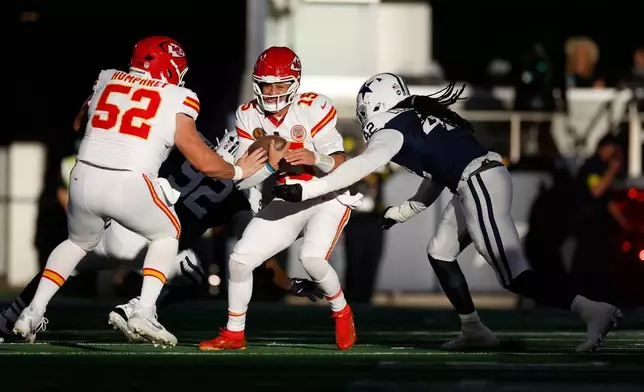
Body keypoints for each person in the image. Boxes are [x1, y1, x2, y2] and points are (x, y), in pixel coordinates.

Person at [273, 73, 622, 352]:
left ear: (375, 106)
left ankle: (593, 311)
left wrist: (308, 189)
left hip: (478, 182)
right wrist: (405, 211)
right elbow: (440, 171)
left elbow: (358, 168)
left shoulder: (393, 129)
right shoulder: (417, 118)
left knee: (514, 276)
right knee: (440, 251)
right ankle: (473, 330)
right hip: (475, 179)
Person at [11, 36, 267, 348]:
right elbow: (201, 159)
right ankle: (143, 310)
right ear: (172, 70)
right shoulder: (178, 96)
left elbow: (79, 124)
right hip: (129, 184)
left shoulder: (105, 78)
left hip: (84, 177)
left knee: (76, 244)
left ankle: (32, 311)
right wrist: (239, 171)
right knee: (167, 234)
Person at [0, 130, 321, 345]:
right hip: (157, 247)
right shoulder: (246, 197)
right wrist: (290, 283)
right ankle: (136, 308)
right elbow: (260, 259)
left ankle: (13, 315)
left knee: (69, 261)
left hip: (123, 226)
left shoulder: (197, 148)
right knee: (193, 272)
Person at [198, 46, 359, 351]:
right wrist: (271, 165)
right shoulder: (248, 115)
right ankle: (234, 333)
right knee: (240, 259)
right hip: (288, 194)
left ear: (295, 83)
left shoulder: (313, 106)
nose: (271, 92)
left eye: (279, 84)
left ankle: (341, 311)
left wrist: (314, 157)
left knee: (311, 259)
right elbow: (246, 178)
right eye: (266, 84)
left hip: (327, 193)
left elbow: (340, 162)